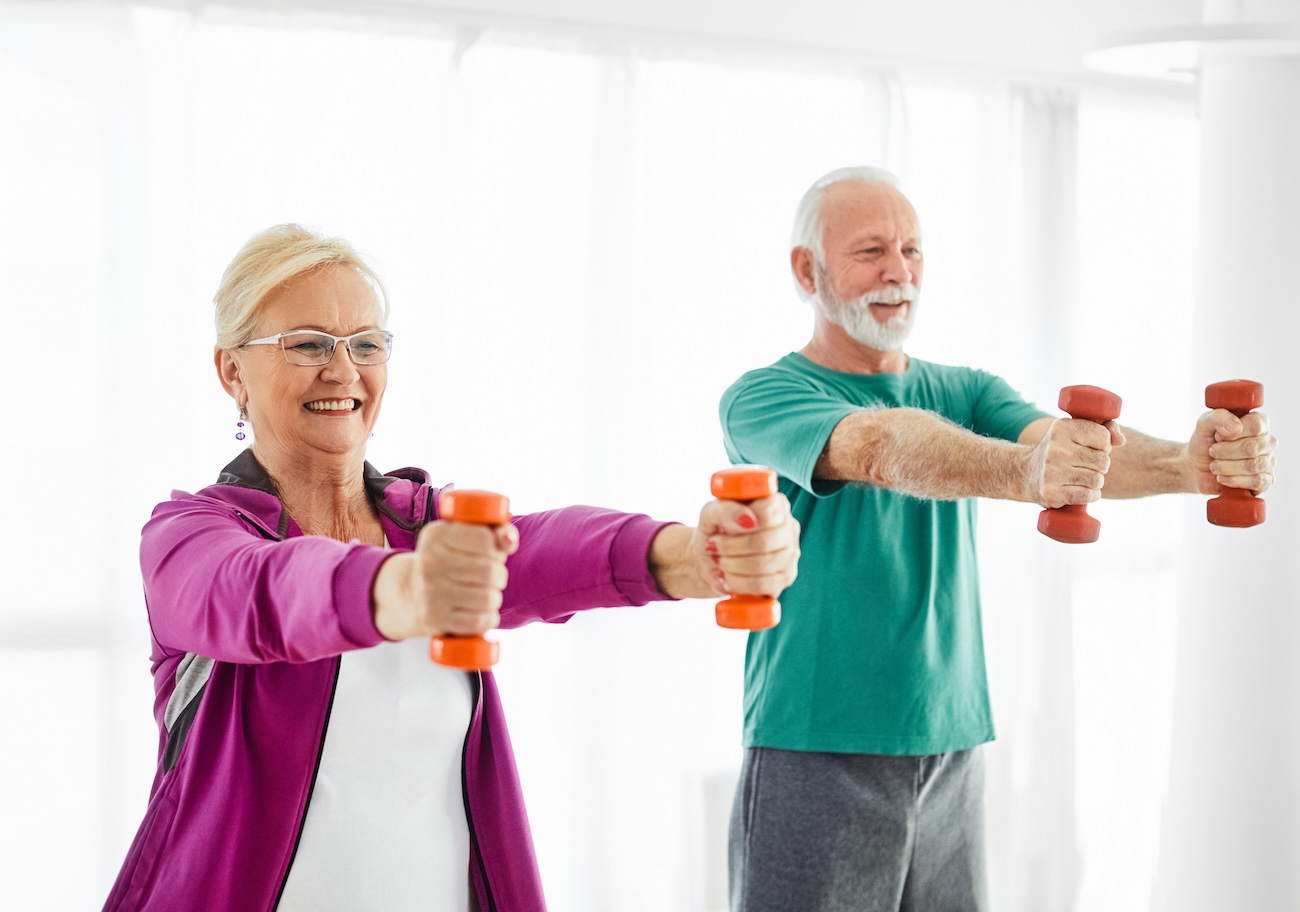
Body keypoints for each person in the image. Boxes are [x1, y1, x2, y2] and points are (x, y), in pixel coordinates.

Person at [102, 224, 800, 912]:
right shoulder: (189, 538)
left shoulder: (427, 527)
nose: (342, 371)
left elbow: (546, 549)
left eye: (365, 344)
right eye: (308, 344)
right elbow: (262, 592)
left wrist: (693, 557)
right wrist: (407, 586)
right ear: (232, 371)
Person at [719, 166, 1277, 912]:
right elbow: (879, 447)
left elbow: (1071, 448)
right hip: (816, 744)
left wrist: (1189, 464)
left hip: (954, 745)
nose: (898, 272)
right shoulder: (763, 396)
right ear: (805, 271)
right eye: (871, 251)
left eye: (912, 250)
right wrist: (1027, 472)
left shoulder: (967, 390)